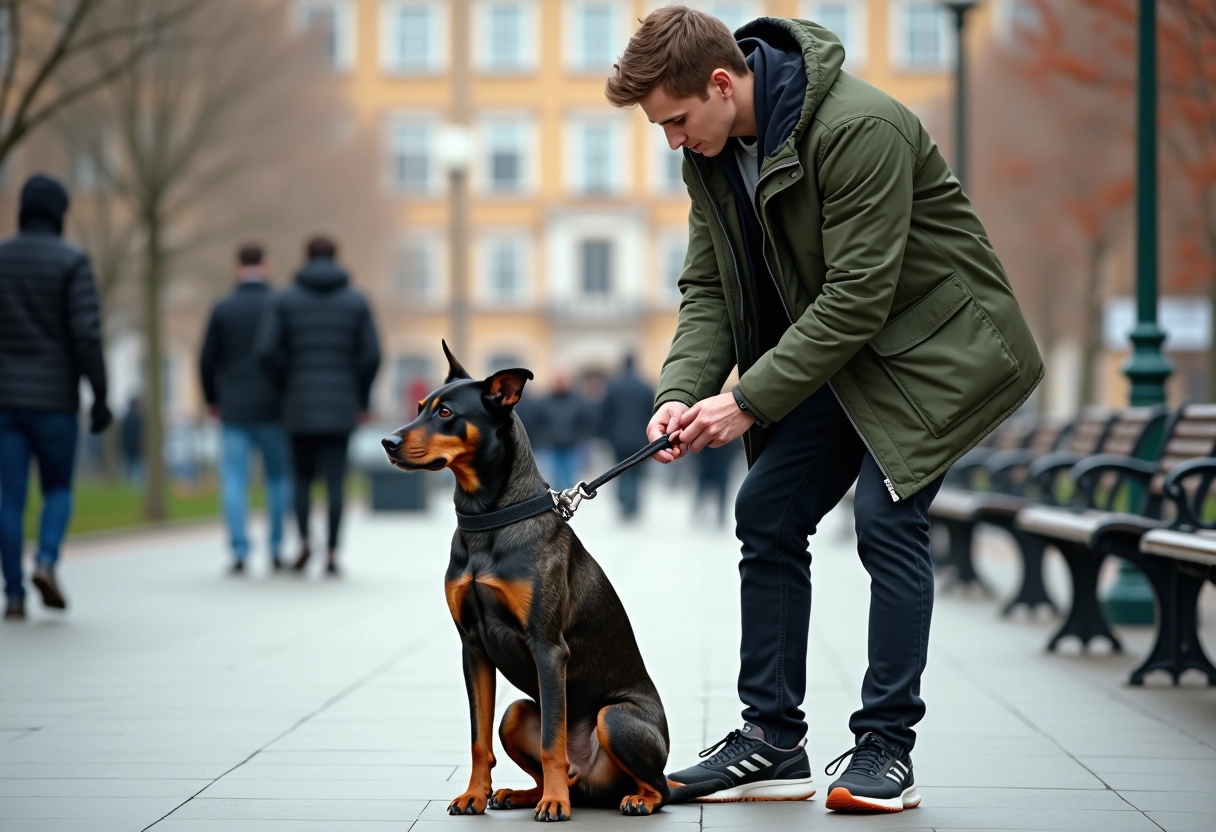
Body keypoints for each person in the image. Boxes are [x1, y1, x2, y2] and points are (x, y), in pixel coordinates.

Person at [607, 8, 1043, 811]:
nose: (670, 140)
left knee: (888, 518)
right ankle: (771, 742)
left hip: (936, 354)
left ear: (721, 82)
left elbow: (858, 297)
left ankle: (886, 747)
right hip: (846, 358)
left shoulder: (859, 127)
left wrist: (745, 399)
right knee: (766, 507)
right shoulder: (707, 156)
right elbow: (709, 288)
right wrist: (679, 393)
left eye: (674, 120)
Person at [0, 174, 111, 621]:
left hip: (4, 400)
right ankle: (45, 559)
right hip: (56, 401)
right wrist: (99, 394)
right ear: (60, 213)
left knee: (8, 498)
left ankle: (13, 592)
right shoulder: (73, 261)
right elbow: (86, 333)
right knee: (58, 488)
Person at [256, 235, 380, 576]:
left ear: (305, 256)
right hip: (342, 404)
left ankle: (305, 542)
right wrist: (361, 395)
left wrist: (286, 384)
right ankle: (332, 553)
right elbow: (372, 354)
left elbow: (266, 351)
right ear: (336, 257)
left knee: (300, 477)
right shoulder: (356, 301)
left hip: (298, 404)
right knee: (336, 481)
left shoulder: (284, 300)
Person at [199, 244, 290, 574]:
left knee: (234, 479)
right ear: (267, 264)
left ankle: (239, 551)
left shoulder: (223, 307)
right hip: (274, 407)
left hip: (234, 406)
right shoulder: (279, 303)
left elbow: (207, 360)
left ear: (236, 266)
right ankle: (277, 548)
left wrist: (212, 400)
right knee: (278, 477)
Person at [597, 354, 656, 519]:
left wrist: (603, 434)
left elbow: (606, 413)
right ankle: (633, 504)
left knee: (620, 469)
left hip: (617, 438)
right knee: (636, 471)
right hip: (641, 437)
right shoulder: (645, 387)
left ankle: (624, 502)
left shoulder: (614, 386)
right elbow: (651, 412)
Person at [535, 373, 593, 492]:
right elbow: (538, 421)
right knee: (555, 479)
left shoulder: (577, 400)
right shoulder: (545, 401)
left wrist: (579, 437)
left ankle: (571, 503)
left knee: (571, 479)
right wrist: (544, 437)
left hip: (571, 446)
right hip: (553, 446)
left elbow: (584, 421)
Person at [119, 395, 144, 484]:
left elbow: (122, 435)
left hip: (127, 447)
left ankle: (129, 483)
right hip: (137, 447)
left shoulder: (126, 418)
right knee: (136, 466)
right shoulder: (139, 418)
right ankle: (135, 483)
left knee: (129, 466)